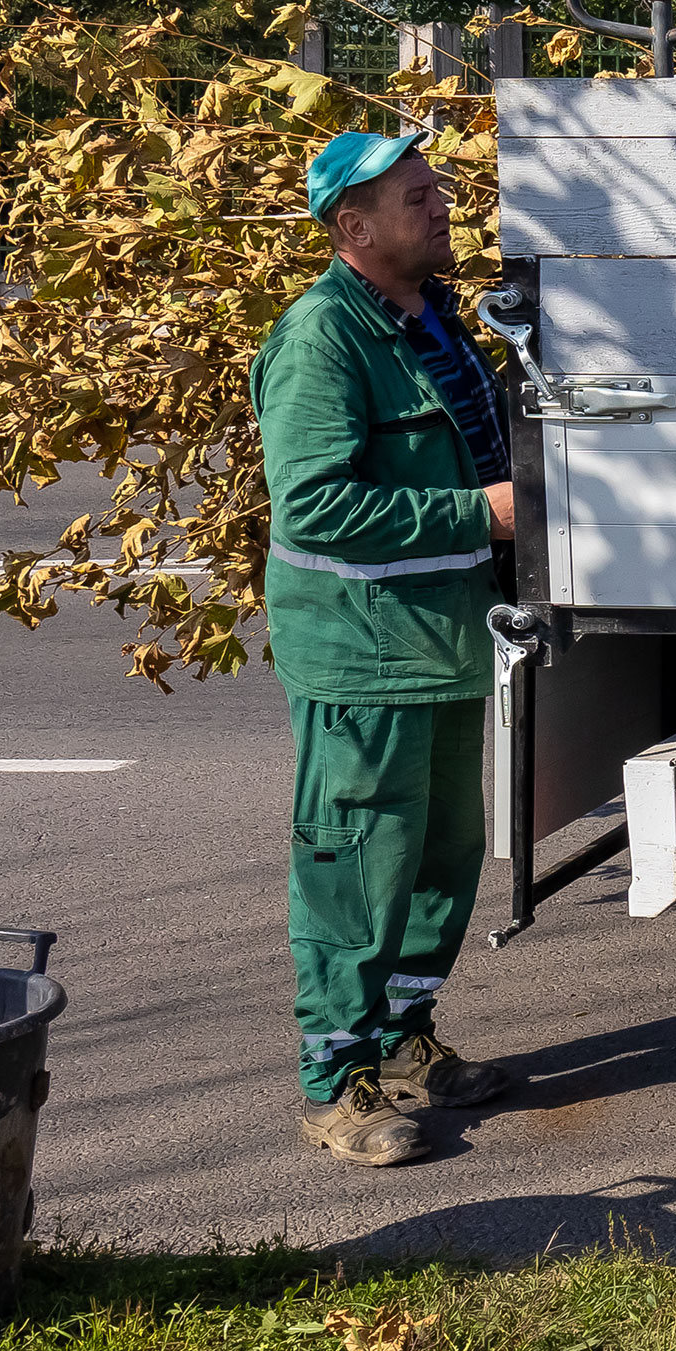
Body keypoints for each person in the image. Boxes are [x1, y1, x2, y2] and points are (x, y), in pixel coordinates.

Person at [251, 131, 521, 1166]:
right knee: (358, 871)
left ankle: (406, 1041)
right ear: (353, 228)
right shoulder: (322, 337)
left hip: (441, 643)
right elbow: (316, 504)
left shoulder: (433, 322)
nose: (444, 207)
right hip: (364, 656)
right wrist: (481, 516)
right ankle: (334, 1083)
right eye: (419, 198)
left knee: (442, 857)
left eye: (440, 192)